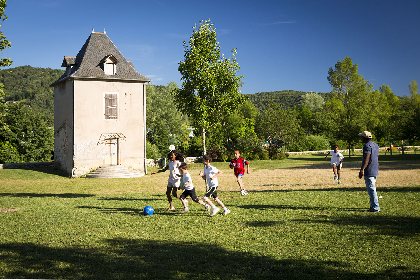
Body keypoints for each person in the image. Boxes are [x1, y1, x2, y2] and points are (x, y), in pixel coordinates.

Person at [358, 131, 380, 213]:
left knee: (371, 189)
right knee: (372, 188)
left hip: (369, 169)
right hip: (375, 168)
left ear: (364, 138)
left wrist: (362, 170)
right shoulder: (375, 145)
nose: (360, 139)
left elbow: (366, 159)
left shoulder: (366, 146)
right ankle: (372, 206)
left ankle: (375, 207)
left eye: (361, 137)